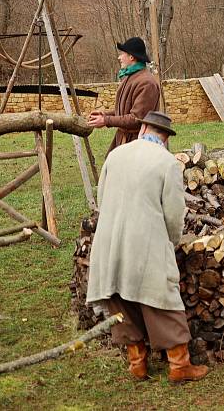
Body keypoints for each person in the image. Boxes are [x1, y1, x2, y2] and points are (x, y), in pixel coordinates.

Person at [86, 111, 209, 383]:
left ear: (142, 130)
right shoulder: (167, 163)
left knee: (121, 300)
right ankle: (180, 366)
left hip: (109, 241)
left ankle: (137, 364)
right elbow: (174, 214)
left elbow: (103, 197)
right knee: (163, 301)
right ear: (165, 139)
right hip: (145, 241)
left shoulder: (115, 155)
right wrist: (170, 244)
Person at [88, 37, 160, 156]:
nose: (119, 57)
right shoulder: (129, 77)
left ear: (131, 57)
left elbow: (136, 119)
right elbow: (123, 112)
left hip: (138, 145)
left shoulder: (146, 83)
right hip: (123, 141)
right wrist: (104, 115)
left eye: (122, 54)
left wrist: (106, 120)